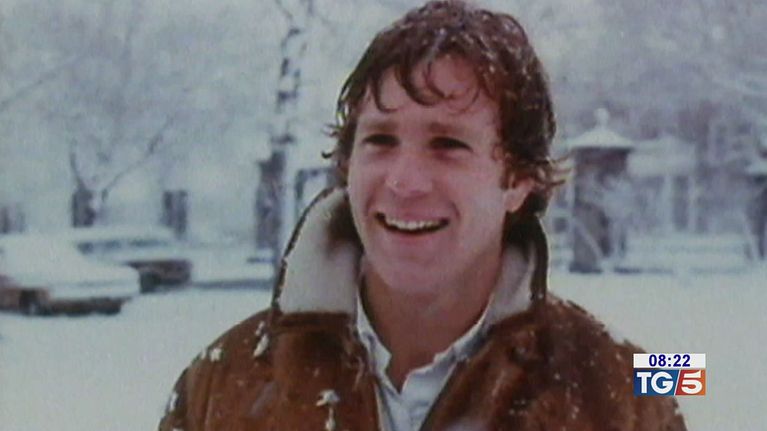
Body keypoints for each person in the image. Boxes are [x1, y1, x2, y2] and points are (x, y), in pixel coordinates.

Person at [159, 1, 686, 430]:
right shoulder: (218, 386)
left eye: (448, 144)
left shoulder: (627, 390)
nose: (404, 181)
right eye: (380, 140)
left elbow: (714, 380)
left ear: (519, 181)